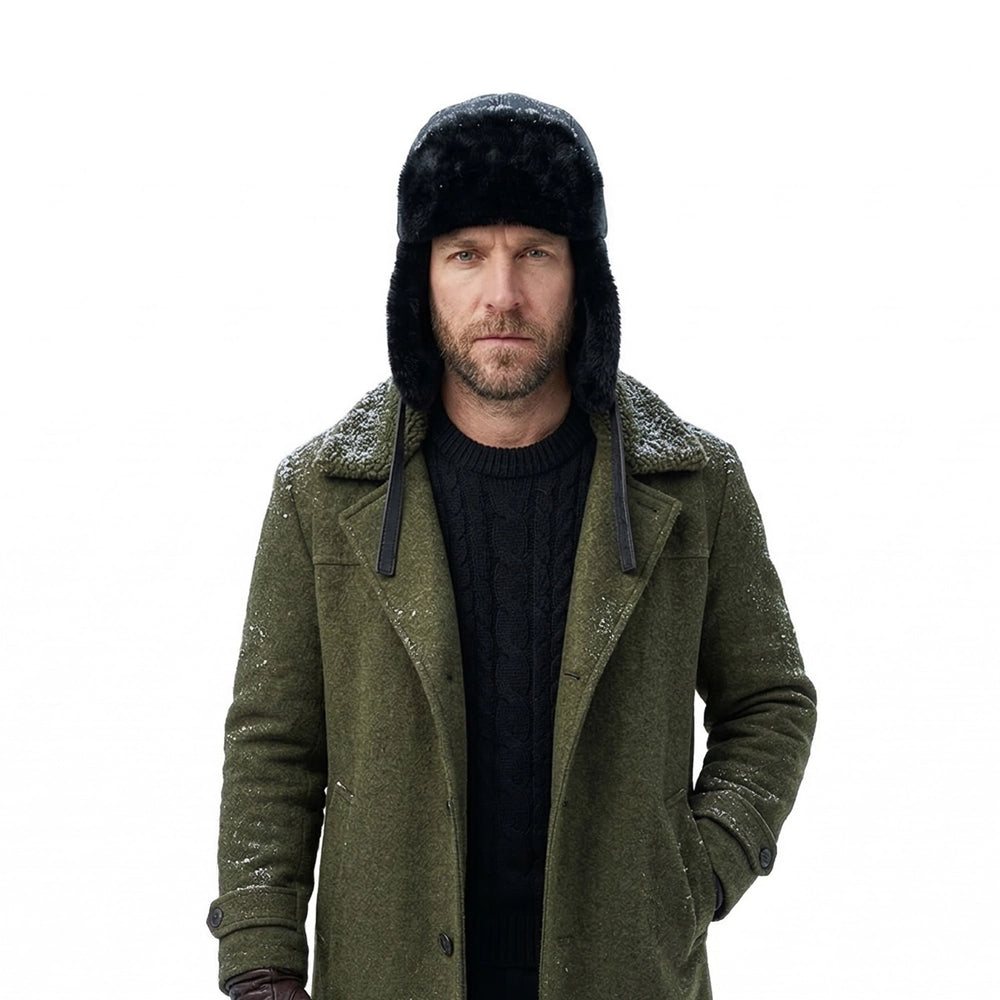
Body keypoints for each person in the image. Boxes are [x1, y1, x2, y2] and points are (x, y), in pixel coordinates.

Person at [207, 94, 817, 1000]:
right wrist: (261, 966)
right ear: (421, 279)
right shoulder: (321, 493)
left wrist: (699, 870)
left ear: (583, 274)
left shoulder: (695, 485)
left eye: (535, 252)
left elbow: (770, 701)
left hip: (626, 975)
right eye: (466, 254)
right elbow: (273, 747)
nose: (502, 295)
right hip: (386, 975)